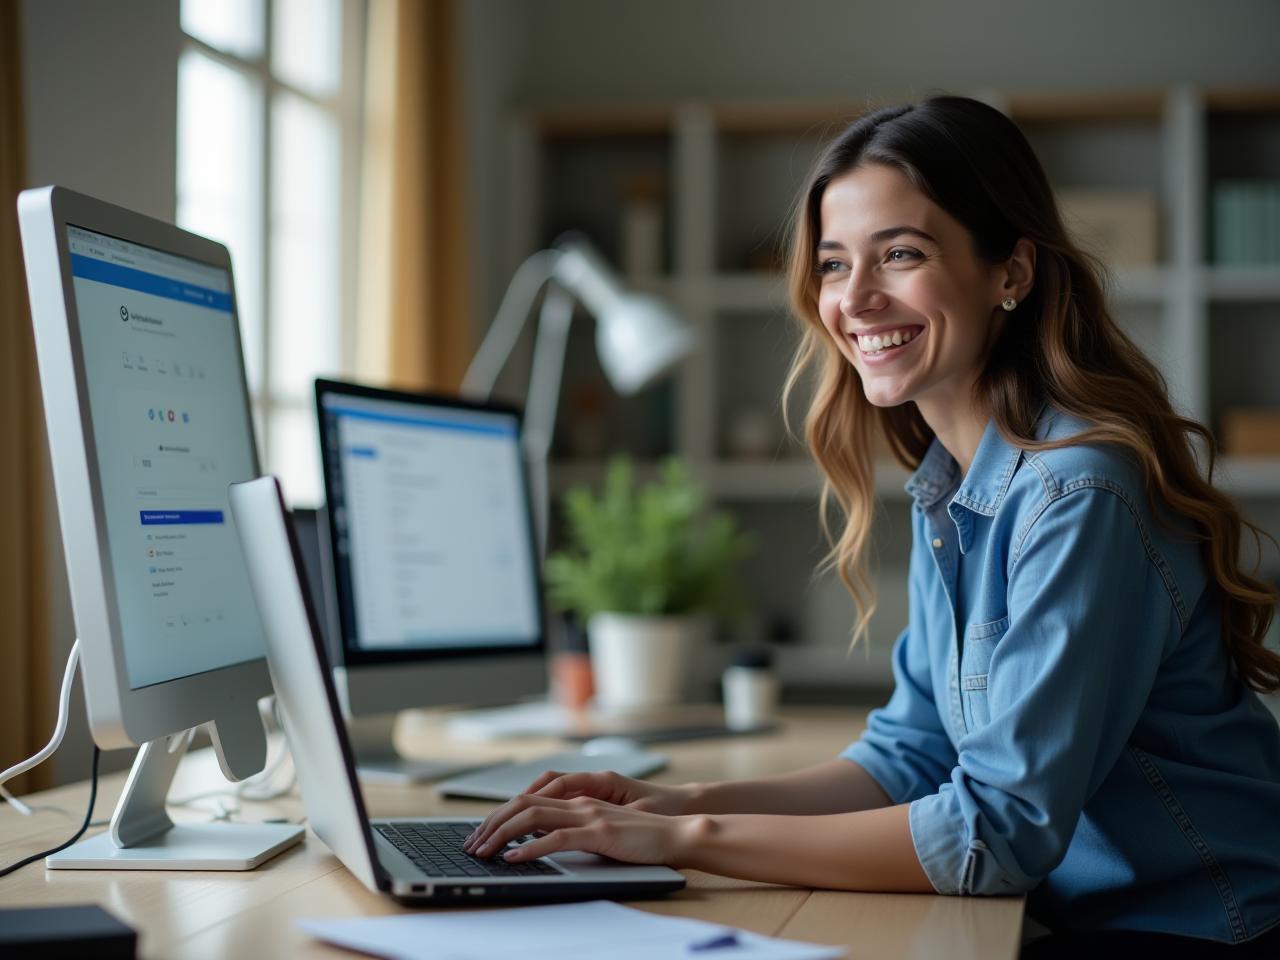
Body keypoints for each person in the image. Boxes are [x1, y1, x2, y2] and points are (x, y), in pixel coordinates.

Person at [464, 96, 1280, 956]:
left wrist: (683, 843)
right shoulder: (957, 482)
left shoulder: (1076, 496)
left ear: (1012, 272)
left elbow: (994, 835)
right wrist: (673, 802)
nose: (854, 299)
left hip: (1203, 928)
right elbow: (912, 755)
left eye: (900, 253)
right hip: (1089, 916)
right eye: (831, 263)